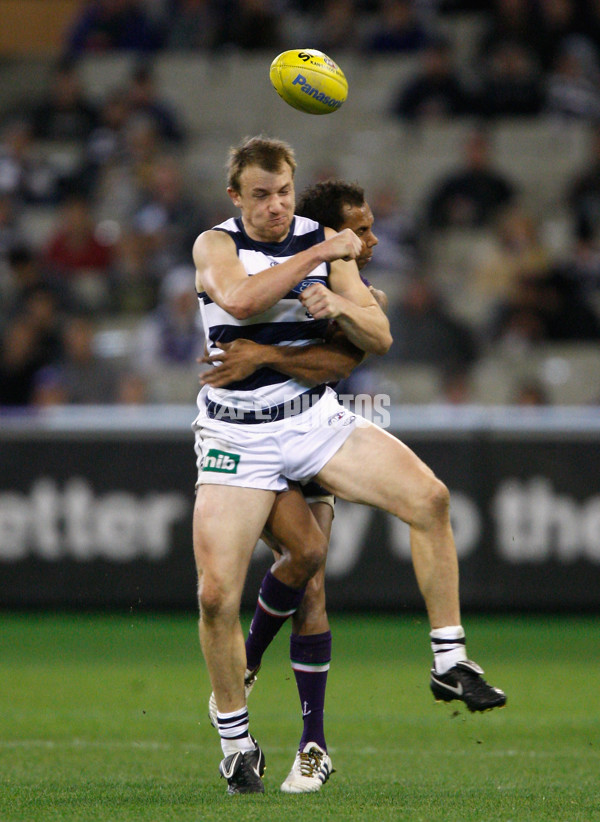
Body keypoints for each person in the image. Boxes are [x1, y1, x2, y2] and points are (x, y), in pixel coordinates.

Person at [191, 136, 506, 796]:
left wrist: (339, 301)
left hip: (312, 420)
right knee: (216, 594)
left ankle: (449, 658)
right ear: (235, 197)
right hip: (236, 435)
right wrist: (320, 256)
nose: (276, 207)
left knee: (431, 499)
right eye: (260, 196)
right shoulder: (215, 245)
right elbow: (242, 302)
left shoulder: (322, 239)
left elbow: (380, 334)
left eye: (283, 193)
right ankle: (235, 741)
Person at [203, 178, 384, 793]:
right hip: (254, 437)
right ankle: (295, 730)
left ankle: (304, 734)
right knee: (306, 574)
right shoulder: (264, 269)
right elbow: (231, 317)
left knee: (312, 572)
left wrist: (263, 356)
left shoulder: (352, 290)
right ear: (330, 231)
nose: (369, 238)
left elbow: (340, 362)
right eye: (358, 229)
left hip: (315, 432)